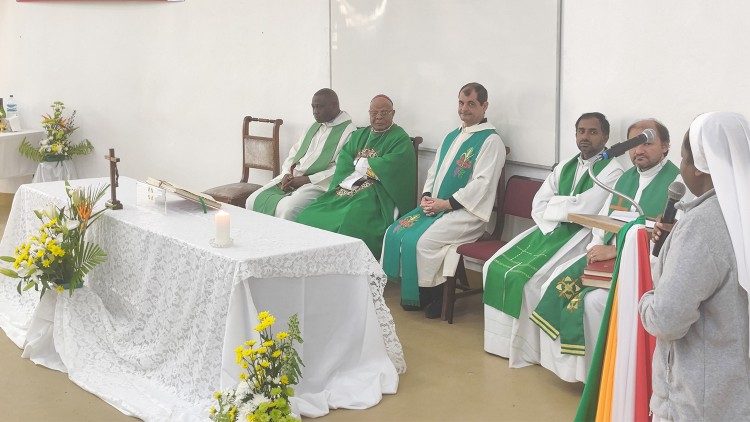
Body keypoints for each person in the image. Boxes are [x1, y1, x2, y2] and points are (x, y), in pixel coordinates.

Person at [530, 119, 685, 381]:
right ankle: (574, 373)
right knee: (550, 284)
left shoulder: (677, 184)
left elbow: (670, 240)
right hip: (609, 260)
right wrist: (596, 247)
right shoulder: (625, 179)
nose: (639, 150)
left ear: (666, 146)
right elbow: (602, 222)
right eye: (634, 145)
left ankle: (602, 377)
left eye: (647, 143)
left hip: (646, 267)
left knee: (591, 302)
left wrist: (616, 252)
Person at [482, 112, 625, 361]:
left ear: (605, 136)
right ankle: (499, 344)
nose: (585, 137)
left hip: (581, 235)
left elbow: (587, 207)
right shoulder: (566, 164)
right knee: (493, 266)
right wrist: (562, 209)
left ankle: (527, 350)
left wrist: (558, 206)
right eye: (581, 131)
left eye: (592, 132)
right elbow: (540, 201)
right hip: (548, 228)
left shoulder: (613, 171)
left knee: (529, 281)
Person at [639, 112, 750, 421]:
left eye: (684, 159)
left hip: (698, 400)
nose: (682, 168)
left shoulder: (703, 225)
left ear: (701, 167)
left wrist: (646, 298)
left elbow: (667, 319)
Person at [382, 83, 506, 319]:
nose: (464, 109)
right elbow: (434, 171)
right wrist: (427, 197)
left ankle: (436, 294)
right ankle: (419, 290)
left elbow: (482, 184)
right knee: (395, 231)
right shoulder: (452, 136)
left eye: (471, 104)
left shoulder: (491, 141)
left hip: (467, 213)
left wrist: (447, 204)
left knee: (423, 242)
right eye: (461, 103)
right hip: (437, 207)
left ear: (484, 106)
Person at [295, 95, 416, 258]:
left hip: (378, 192)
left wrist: (362, 164)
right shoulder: (360, 134)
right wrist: (361, 166)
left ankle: (344, 267)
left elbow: (394, 166)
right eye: (374, 112)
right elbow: (345, 158)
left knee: (349, 219)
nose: (378, 116)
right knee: (309, 214)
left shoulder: (400, 138)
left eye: (384, 112)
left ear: (393, 113)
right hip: (349, 184)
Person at [247, 88, 355, 220]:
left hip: (318, 184)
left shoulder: (349, 132)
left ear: (334, 105)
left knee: (287, 209)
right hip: (293, 177)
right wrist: (287, 172)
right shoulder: (313, 126)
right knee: (252, 200)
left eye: (319, 107)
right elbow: (295, 152)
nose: (315, 111)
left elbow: (340, 168)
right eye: (313, 107)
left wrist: (308, 179)